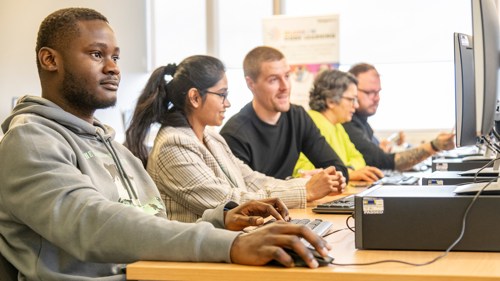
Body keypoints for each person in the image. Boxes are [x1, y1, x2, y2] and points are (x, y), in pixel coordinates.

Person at [0, 8, 332, 280]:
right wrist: (227, 245)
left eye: (115, 56)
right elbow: (94, 224)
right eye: (97, 54)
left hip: (147, 273)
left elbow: (148, 224)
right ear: (49, 60)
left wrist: (220, 220)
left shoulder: (111, 146)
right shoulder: (30, 139)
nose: (113, 67)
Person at [124, 55, 343, 223]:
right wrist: (305, 191)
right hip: (195, 261)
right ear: (195, 97)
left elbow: (251, 179)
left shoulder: (209, 136)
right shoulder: (173, 145)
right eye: (222, 95)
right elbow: (228, 201)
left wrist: (307, 184)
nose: (227, 103)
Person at [220, 46, 349, 185]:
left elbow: (339, 169)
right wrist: (298, 184)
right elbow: (243, 193)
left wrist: (323, 178)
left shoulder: (297, 117)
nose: (285, 86)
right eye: (273, 79)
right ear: (251, 84)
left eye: (287, 76)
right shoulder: (235, 134)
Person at [343, 63, 455, 171]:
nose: (377, 98)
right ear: (351, 90)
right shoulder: (347, 122)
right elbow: (382, 161)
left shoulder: (363, 122)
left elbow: (377, 154)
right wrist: (433, 146)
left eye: (378, 92)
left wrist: (384, 147)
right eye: (370, 92)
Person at [294, 69, 384, 182]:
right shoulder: (310, 123)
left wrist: (347, 171)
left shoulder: (338, 126)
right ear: (331, 101)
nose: (355, 105)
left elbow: (359, 158)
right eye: (351, 99)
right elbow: (303, 169)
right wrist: (348, 174)